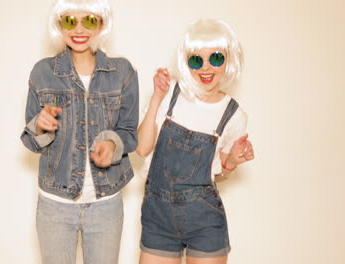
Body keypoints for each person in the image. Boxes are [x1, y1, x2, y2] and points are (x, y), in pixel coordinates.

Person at [20, 0, 139, 263]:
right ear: (59, 24)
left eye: (90, 20)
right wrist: (41, 126)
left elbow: (130, 132)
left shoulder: (123, 72)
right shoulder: (42, 72)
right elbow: (32, 142)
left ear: (102, 23)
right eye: (70, 21)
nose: (80, 29)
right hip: (55, 204)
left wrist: (112, 144)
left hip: (105, 204)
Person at [136, 18, 254, 264]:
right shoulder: (170, 94)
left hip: (205, 221)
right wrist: (157, 98)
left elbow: (219, 175)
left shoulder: (233, 115)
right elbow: (141, 148)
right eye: (196, 60)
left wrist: (231, 160)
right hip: (158, 217)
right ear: (186, 61)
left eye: (216, 58)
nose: (206, 68)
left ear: (229, 59)